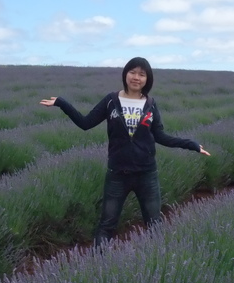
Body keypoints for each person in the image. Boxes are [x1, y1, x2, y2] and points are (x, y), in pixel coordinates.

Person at [40, 57, 210, 247]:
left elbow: (161, 136)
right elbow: (85, 123)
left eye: (142, 74)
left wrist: (191, 144)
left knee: (155, 225)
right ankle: (99, 266)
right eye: (132, 72)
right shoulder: (111, 101)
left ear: (147, 79)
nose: (136, 77)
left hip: (147, 175)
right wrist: (62, 103)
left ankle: (157, 264)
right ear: (125, 74)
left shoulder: (151, 104)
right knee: (106, 225)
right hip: (117, 175)